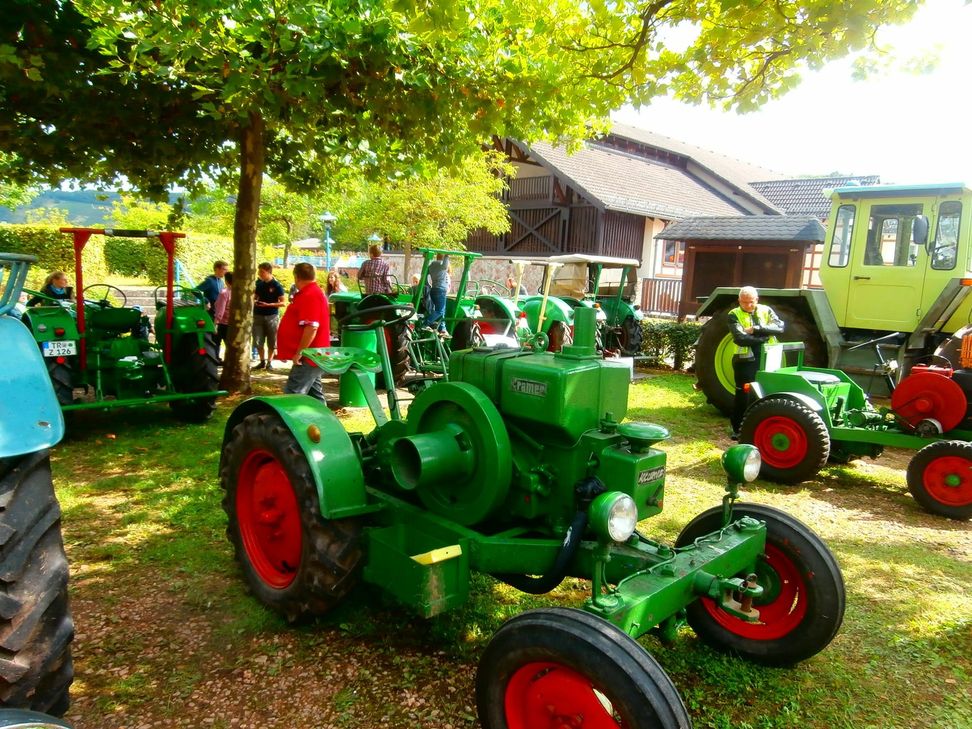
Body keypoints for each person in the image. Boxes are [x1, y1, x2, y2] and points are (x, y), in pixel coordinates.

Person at [728, 286, 784, 439]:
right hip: (744, 362)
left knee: (766, 393)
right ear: (739, 301)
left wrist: (756, 329)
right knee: (743, 395)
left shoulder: (766, 310)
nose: (748, 305)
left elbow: (780, 327)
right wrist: (763, 337)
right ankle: (737, 429)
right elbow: (740, 338)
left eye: (751, 302)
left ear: (757, 300)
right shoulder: (733, 314)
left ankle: (763, 427)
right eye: (744, 302)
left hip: (768, 359)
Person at [277, 262, 330, 401]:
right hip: (312, 355)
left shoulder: (310, 294)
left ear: (296, 277)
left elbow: (312, 326)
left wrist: (300, 352)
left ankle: (287, 423)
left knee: (293, 395)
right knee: (314, 396)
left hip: (309, 356)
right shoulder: (311, 293)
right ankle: (322, 421)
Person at [253, 262, 285, 370]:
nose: (260, 274)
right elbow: (255, 297)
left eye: (262, 272)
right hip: (258, 315)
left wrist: (269, 305)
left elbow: (283, 302)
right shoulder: (259, 284)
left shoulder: (276, 285)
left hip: (272, 316)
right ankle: (262, 361)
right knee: (258, 340)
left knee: (272, 340)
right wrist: (254, 301)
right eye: (259, 271)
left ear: (268, 272)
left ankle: (269, 362)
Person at [427, 253, 450, 335]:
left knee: (442, 310)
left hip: (433, 289)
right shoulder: (442, 265)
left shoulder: (432, 265)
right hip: (441, 290)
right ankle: (425, 322)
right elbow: (446, 265)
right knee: (440, 311)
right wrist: (447, 255)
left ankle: (442, 328)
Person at [213, 271, 233, 362]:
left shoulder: (224, 293)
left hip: (223, 323)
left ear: (226, 281)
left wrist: (215, 324)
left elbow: (220, 310)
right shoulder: (241, 293)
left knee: (216, 342)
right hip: (234, 322)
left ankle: (216, 359)